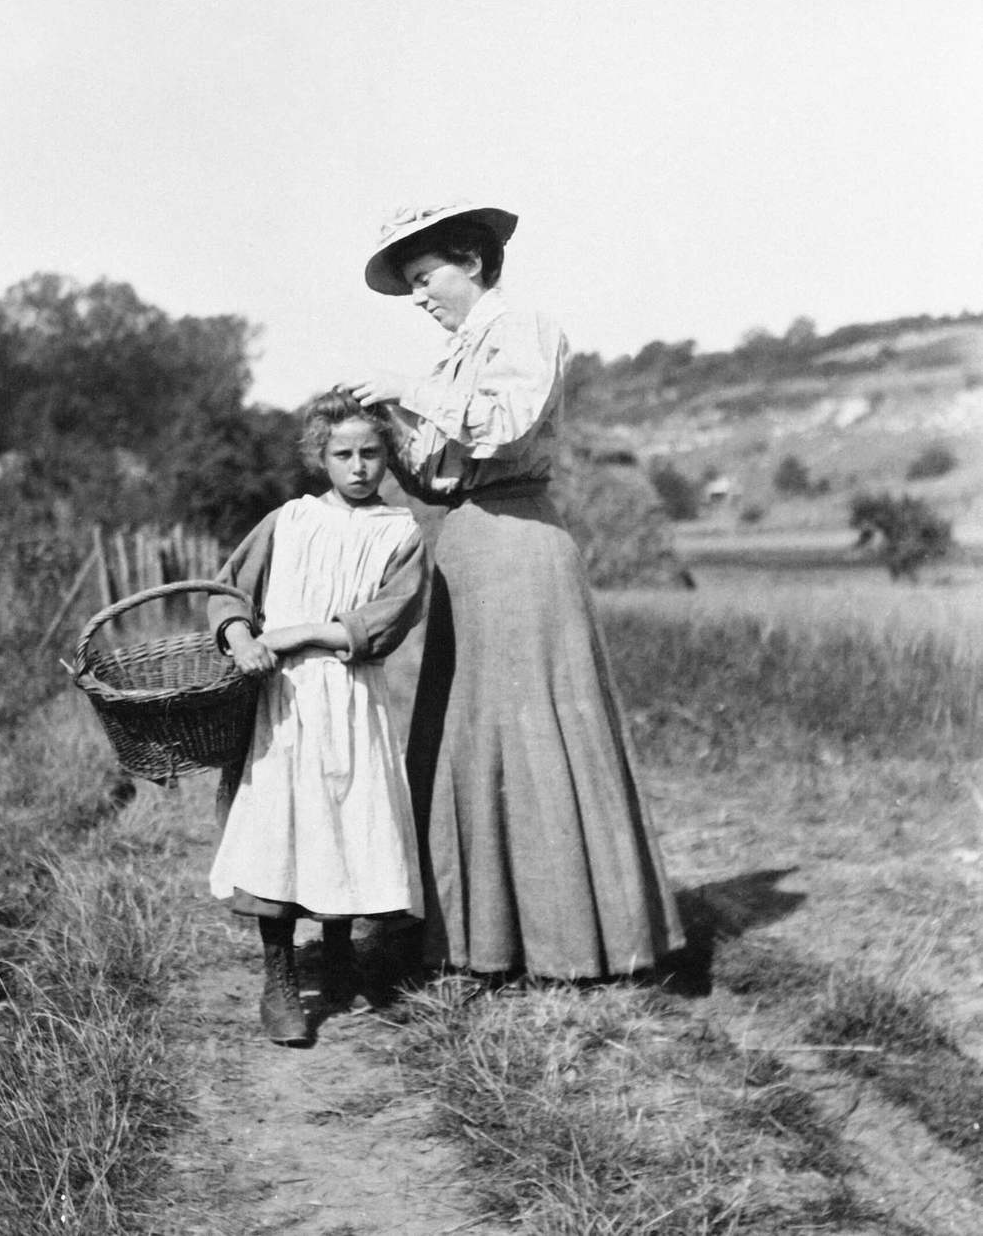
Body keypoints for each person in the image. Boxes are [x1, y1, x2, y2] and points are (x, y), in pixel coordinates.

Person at [345, 202, 684, 982]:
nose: (421, 297)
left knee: (535, 730)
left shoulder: (525, 328)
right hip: (465, 548)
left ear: (471, 258)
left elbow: (507, 424)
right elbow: (435, 477)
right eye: (410, 287)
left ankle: (575, 939)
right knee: (468, 735)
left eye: (426, 277)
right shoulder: (446, 361)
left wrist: (409, 387)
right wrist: (385, 422)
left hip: (522, 542)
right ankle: (479, 939)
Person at [207, 390, 427, 1043]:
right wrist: (245, 639)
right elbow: (228, 590)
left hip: (352, 694)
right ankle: (279, 978)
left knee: (347, 817)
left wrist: (297, 632)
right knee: (282, 826)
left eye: (371, 452)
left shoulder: (403, 533)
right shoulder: (289, 521)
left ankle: (339, 951)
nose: (359, 467)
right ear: (320, 458)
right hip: (284, 699)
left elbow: (384, 622)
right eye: (344, 454)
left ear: (389, 455)